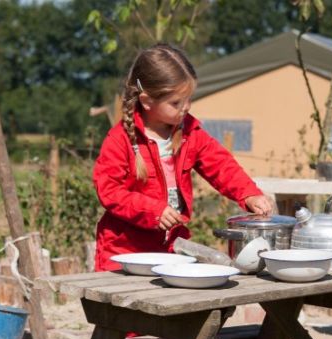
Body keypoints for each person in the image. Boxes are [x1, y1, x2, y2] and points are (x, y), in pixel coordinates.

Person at [93, 43, 273, 272]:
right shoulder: (120, 139)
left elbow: (220, 164)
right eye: (176, 103)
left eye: (189, 99)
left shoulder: (189, 132)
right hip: (124, 256)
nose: (186, 108)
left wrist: (248, 193)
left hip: (170, 251)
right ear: (147, 101)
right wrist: (152, 210)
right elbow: (109, 190)